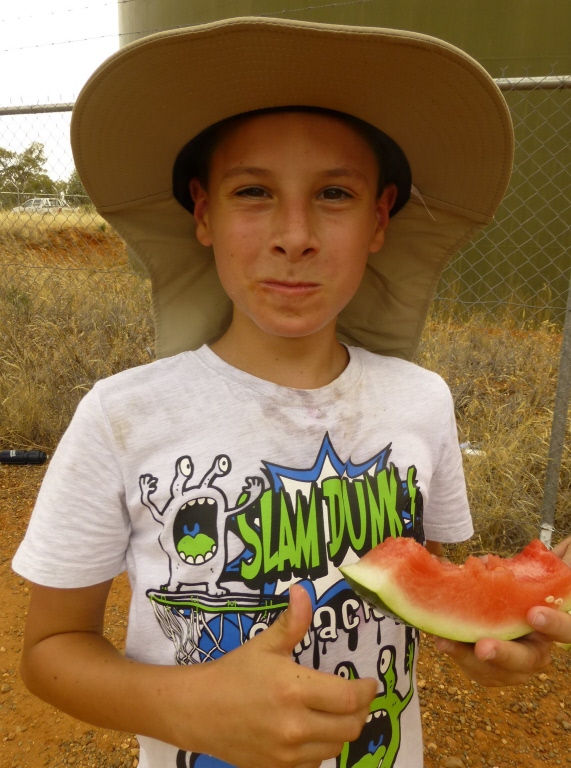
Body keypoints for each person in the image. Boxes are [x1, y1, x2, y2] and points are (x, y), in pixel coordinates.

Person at [11, 16, 571, 768]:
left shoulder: (421, 400)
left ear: (379, 219)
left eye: (334, 193)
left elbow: (415, 584)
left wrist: (488, 637)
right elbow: (49, 649)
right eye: (253, 192)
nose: (295, 235)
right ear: (203, 213)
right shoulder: (121, 415)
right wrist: (189, 707)